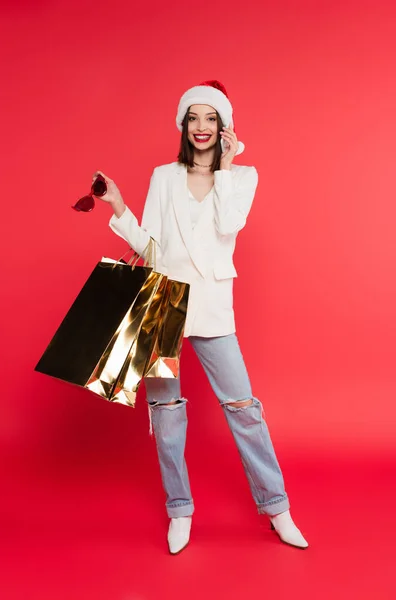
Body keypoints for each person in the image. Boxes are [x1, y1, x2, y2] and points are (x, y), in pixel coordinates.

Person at [92, 80, 309, 554]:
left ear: (225, 126)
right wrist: (119, 206)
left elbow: (230, 225)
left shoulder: (244, 177)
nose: (202, 127)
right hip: (163, 301)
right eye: (194, 117)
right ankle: (179, 509)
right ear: (183, 124)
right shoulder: (163, 176)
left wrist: (226, 168)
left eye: (212, 118)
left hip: (212, 304)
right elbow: (150, 245)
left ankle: (277, 507)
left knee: (244, 409)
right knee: (166, 415)